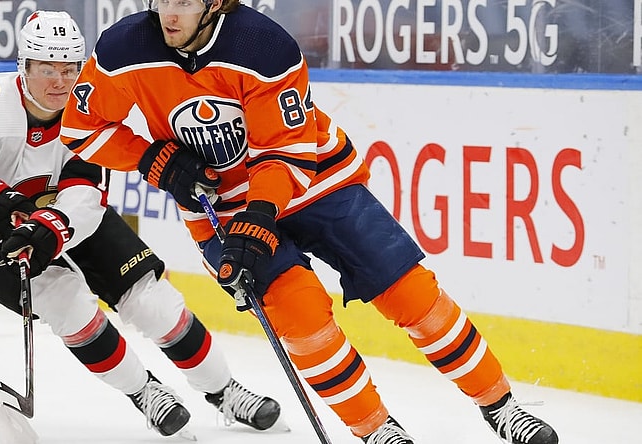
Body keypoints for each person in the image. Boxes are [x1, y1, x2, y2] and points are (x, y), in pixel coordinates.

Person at [58, 1, 561, 444]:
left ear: (213, 3)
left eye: (184, 1)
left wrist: (260, 217)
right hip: (220, 206)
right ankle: (377, 430)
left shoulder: (262, 45)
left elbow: (288, 152)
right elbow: (81, 127)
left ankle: (501, 406)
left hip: (318, 181)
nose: (169, 13)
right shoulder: (124, 48)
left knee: (411, 292)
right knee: (299, 316)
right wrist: (152, 159)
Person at [0, 10, 283, 439]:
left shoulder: (87, 110)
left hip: (66, 222)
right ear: (23, 66)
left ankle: (225, 391)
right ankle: (146, 393)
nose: (59, 82)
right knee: (68, 306)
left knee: (152, 301)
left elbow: (86, 196)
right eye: (47, 69)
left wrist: (54, 226)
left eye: (69, 69)